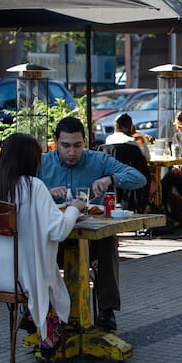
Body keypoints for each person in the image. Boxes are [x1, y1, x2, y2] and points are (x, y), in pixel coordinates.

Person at [0, 133, 86, 352]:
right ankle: (44, 326)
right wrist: (75, 209)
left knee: (37, 269)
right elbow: (59, 231)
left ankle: (31, 316)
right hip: (21, 281)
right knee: (46, 277)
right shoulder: (33, 187)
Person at [41, 117, 147, 332]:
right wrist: (45, 193)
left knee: (108, 241)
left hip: (91, 238)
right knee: (34, 245)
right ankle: (39, 312)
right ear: (55, 144)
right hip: (54, 240)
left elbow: (139, 178)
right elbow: (19, 190)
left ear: (85, 143)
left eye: (77, 145)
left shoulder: (97, 160)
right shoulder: (43, 164)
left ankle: (106, 310)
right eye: (66, 146)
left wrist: (111, 179)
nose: (72, 152)